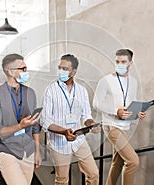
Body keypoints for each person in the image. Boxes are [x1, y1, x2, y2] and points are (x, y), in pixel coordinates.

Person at [41, 54, 99, 185]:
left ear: (74, 71)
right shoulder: (50, 91)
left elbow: (86, 116)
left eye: (65, 69)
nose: (61, 71)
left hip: (79, 140)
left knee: (93, 174)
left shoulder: (82, 91)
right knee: (62, 180)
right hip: (59, 143)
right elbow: (45, 121)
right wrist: (64, 132)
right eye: (59, 68)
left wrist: (92, 124)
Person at [93, 49, 146, 185]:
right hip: (112, 126)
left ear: (130, 63)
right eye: (117, 61)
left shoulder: (133, 82)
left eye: (123, 62)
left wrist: (137, 113)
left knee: (118, 162)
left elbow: (130, 102)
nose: (120, 64)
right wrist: (116, 111)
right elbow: (96, 103)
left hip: (126, 126)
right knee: (133, 161)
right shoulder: (106, 80)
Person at [0, 53, 41, 185]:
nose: (26, 71)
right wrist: (20, 126)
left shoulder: (30, 93)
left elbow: (35, 126)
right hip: (6, 151)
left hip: (28, 150)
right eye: (22, 69)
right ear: (10, 71)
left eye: (26, 68)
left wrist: (38, 151)